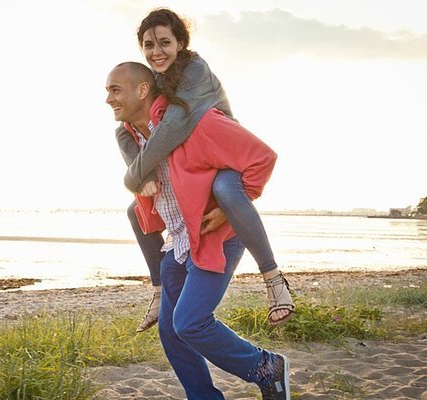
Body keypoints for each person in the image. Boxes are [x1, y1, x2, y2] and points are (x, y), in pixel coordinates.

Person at [106, 62, 290, 400]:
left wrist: (225, 210)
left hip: (214, 238)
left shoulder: (193, 122)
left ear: (143, 90)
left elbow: (263, 157)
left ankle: (266, 367)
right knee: (171, 332)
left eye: (115, 90)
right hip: (177, 241)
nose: (108, 99)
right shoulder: (132, 138)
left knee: (190, 322)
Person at [115, 8, 294, 329]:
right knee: (135, 211)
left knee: (226, 190)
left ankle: (273, 278)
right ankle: (157, 290)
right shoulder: (154, 79)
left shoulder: (194, 70)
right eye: (148, 45)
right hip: (190, 162)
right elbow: (129, 126)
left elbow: (171, 128)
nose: (156, 52)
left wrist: (133, 176)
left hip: (223, 155)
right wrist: (143, 173)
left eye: (165, 43)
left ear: (181, 43)